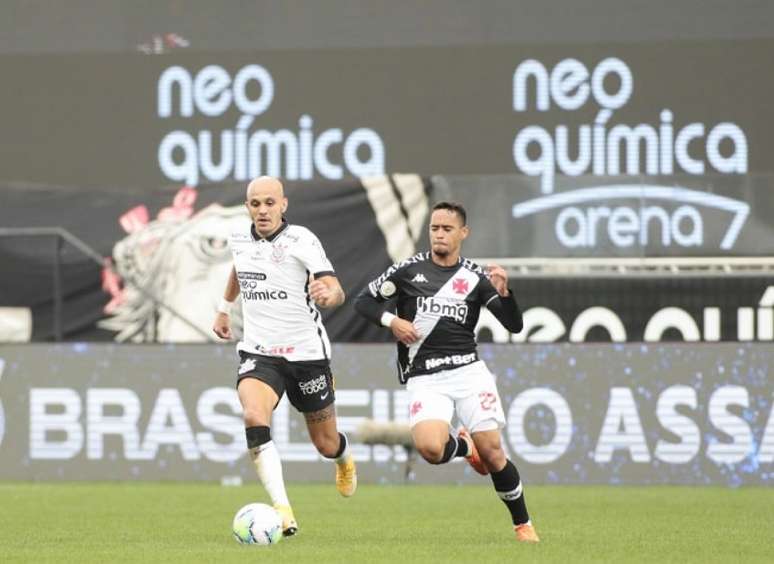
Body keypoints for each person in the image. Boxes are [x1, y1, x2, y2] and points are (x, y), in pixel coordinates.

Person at [354, 201, 539, 543]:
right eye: (435, 228)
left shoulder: (475, 277)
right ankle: (465, 448)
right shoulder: (408, 270)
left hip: (468, 372)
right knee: (430, 449)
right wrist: (392, 321)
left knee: (494, 452)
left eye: (447, 228)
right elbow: (363, 301)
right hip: (425, 376)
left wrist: (504, 293)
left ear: (463, 233)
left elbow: (514, 324)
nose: (439, 234)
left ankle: (523, 524)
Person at [213, 176, 356, 537]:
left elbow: (335, 288)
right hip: (260, 351)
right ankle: (283, 509)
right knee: (252, 415)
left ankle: (343, 458)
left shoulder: (302, 240)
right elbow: (239, 269)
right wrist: (224, 309)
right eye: (255, 203)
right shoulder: (239, 237)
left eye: (269, 203)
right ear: (247, 206)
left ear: (283, 205)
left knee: (325, 443)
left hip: (307, 353)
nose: (262, 210)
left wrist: (329, 295)